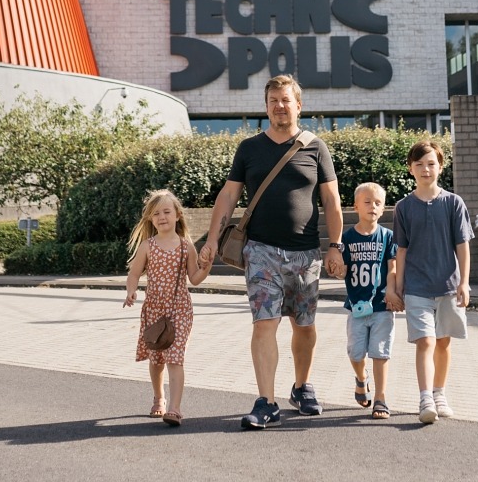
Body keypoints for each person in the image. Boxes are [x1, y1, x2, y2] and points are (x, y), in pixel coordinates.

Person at [199, 74, 345, 429]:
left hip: (306, 254)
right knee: (265, 323)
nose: (280, 106)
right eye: (273, 101)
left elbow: (331, 200)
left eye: (286, 100)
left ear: (299, 105)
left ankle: (301, 387)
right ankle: (266, 402)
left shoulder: (315, 147)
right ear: (266, 107)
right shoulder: (249, 148)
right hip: (261, 250)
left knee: (304, 325)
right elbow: (229, 195)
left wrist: (335, 246)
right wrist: (212, 238)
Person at [388, 140, 473, 425]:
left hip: (449, 285)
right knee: (424, 341)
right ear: (411, 169)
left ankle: (440, 394)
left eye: (431, 164)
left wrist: (465, 283)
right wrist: (398, 286)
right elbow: (402, 249)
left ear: (441, 166)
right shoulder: (404, 207)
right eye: (420, 164)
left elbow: (462, 245)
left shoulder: (453, 203)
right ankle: (425, 398)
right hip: (417, 287)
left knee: (443, 342)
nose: (426, 169)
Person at [124, 189, 208, 427]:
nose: (162, 217)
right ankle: (159, 397)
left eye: (167, 212)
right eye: (156, 213)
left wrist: (206, 266)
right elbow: (133, 274)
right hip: (154, 310)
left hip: (180, 309)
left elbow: (195, 278)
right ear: (151, 219)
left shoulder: (186, 247)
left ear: (178, 215)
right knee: (157, 358)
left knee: (175, 357)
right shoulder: (147, 246)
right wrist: (131, 290)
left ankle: (175, 408)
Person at [342, 182, 397, 420]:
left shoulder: (387, 237)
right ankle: (361, 378)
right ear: (356, 206)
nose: (372, 206)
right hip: (356, 307)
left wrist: (393, 291)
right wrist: (334, 267)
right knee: (356, 354)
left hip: (382, 306)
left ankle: (381, 398)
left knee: (380, 352)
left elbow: (393, 266)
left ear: (383, 209)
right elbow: (341, 268)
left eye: (378, 203)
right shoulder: (347, 238)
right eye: (367, 202)